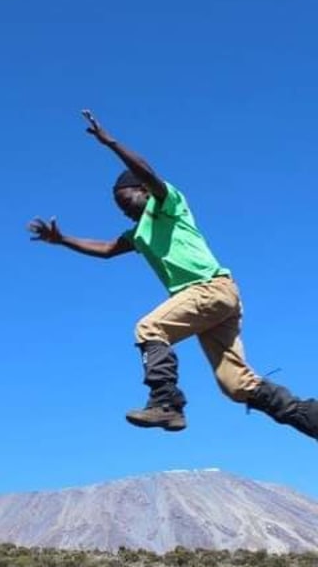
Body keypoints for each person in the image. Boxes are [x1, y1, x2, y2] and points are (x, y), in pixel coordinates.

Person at [27, 111, 318, 436]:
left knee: (149, 327)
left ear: (144, 191)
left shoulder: (168, 204)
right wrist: (62, 239)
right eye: (117, 206)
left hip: (209, 289)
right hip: (213, 304)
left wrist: (110, 143)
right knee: (235, 384)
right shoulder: (138, 233)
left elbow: (147, 172)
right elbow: (107, 249)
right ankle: (311, 419)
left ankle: (166, 403)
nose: (122, 208)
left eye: (125, 199)